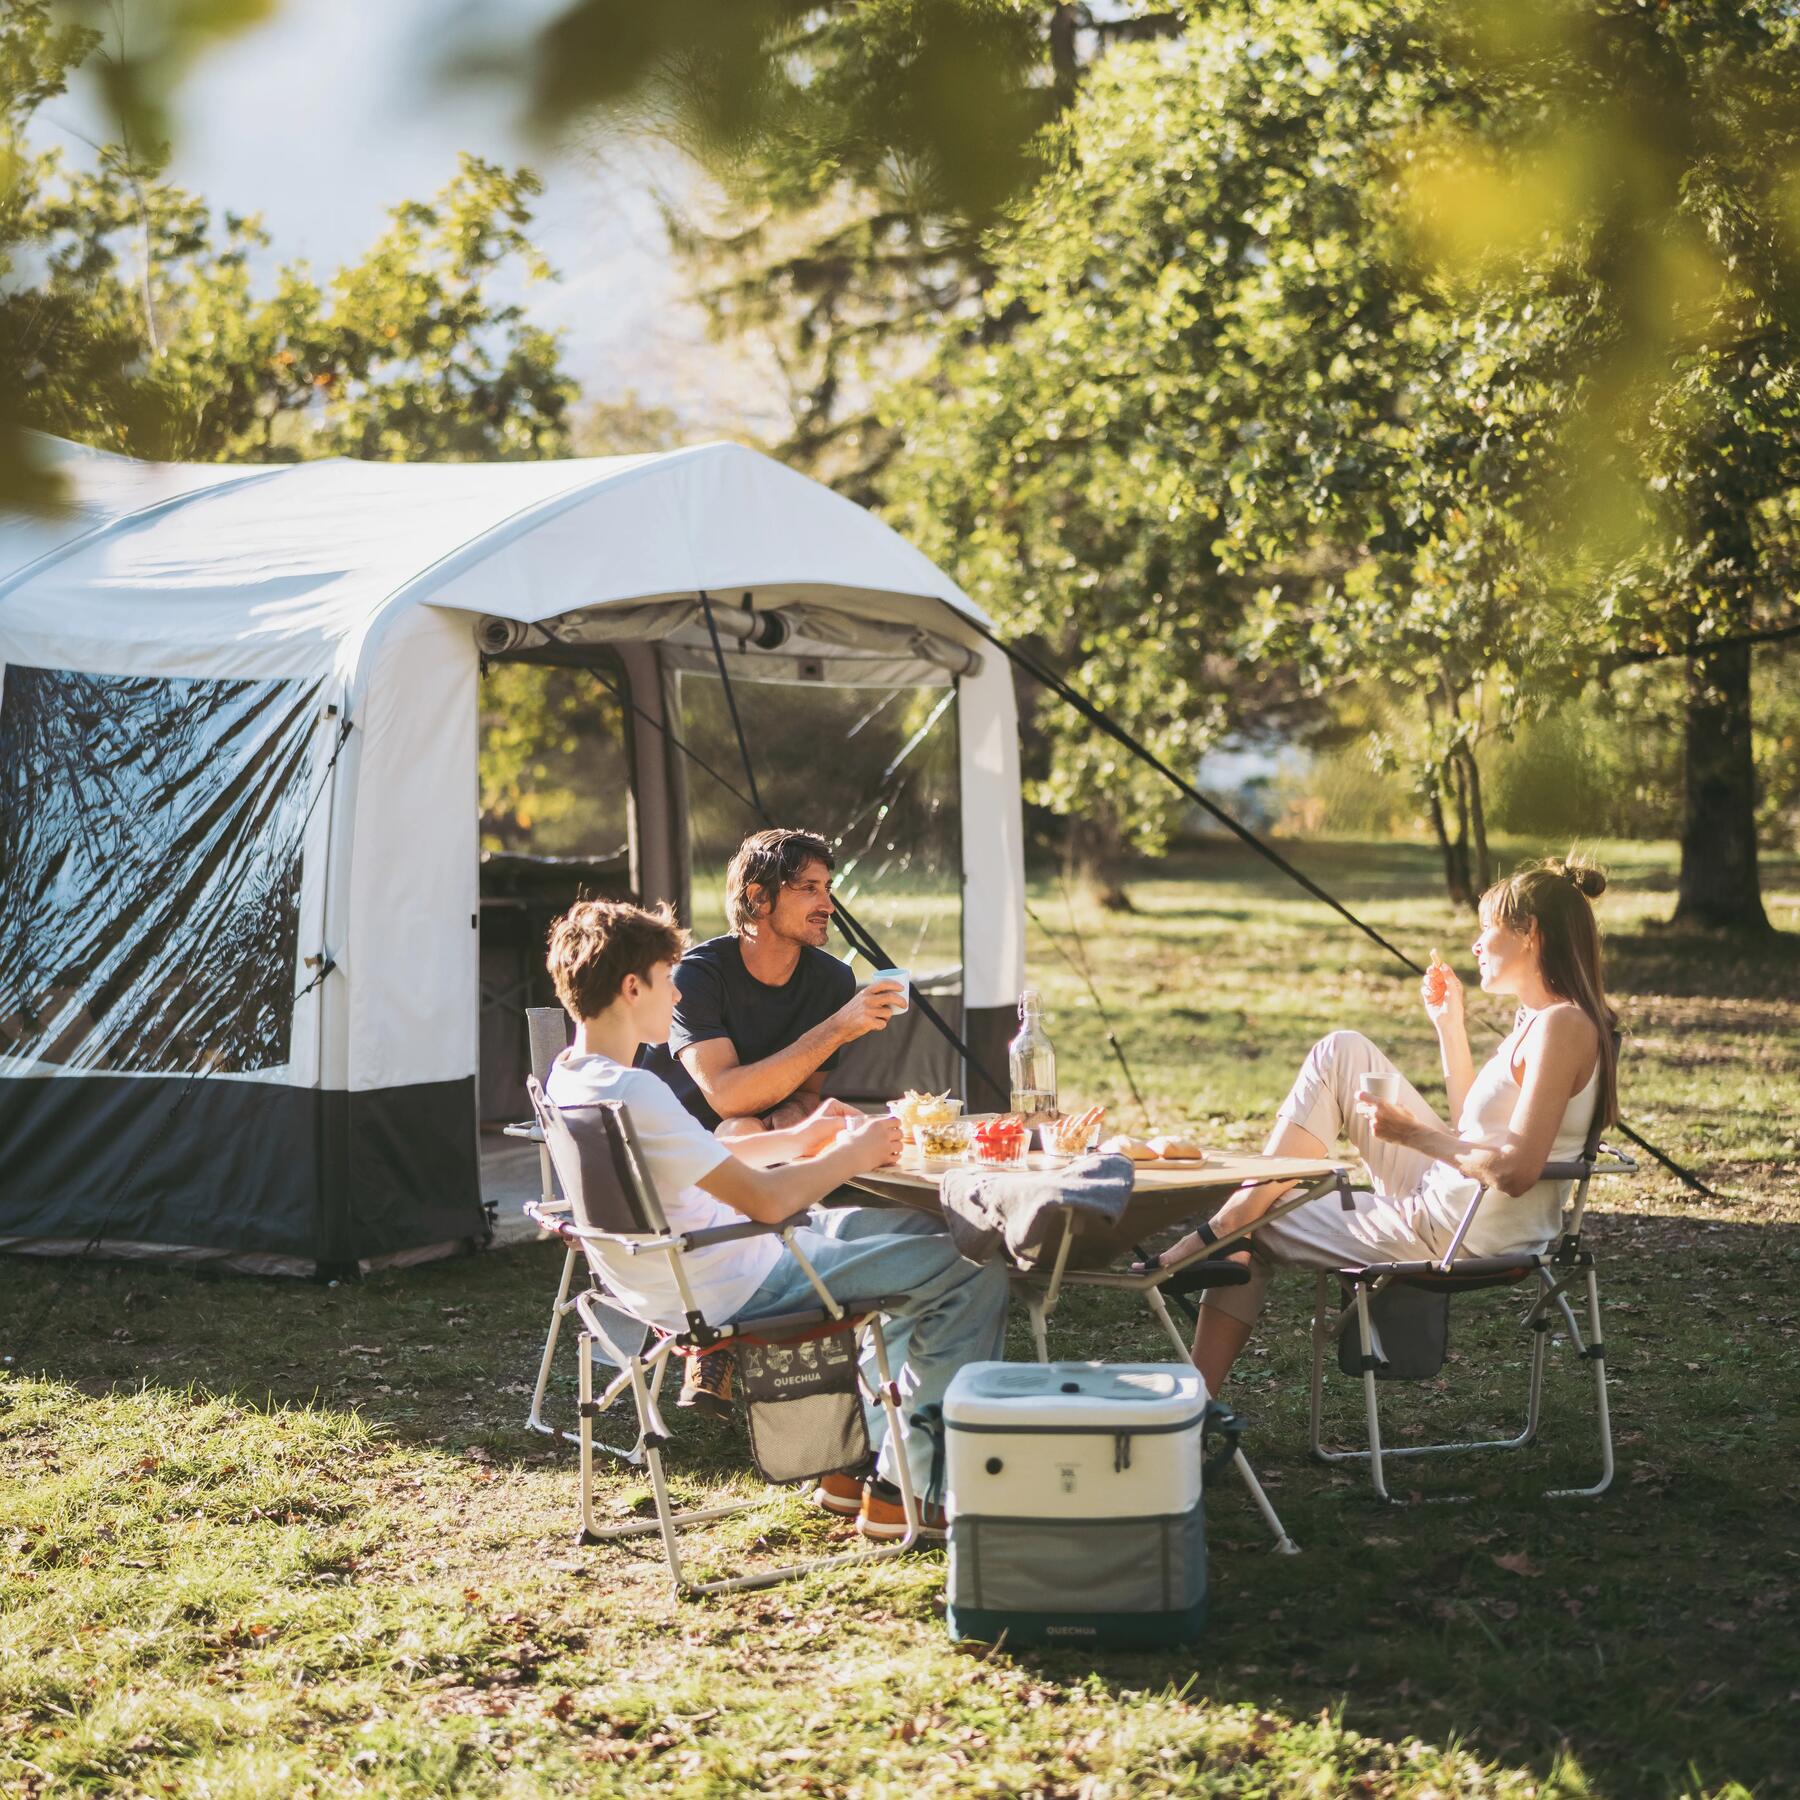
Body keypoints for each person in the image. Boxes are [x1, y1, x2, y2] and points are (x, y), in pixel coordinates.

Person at [544, 897, 1008, 1540]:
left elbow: (708, 1156)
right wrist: (852, 1154)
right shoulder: (635, 1089)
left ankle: (855, 1469)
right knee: (971, 1263)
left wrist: (805, 1138)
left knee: (929, 1242)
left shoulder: (573, 1078)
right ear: (632, 986)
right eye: (666, 976)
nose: (677, 992)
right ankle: (910, 1490)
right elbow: (766, 1202)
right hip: (738, 1275)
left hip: (676, 1275)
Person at [1156, 858, 1618, 1397]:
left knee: (1252, 1228)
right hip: (1453, 1200)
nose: (1475, 945)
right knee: (1341, 1050)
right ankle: (1231, 1225)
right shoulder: (1543, 1022)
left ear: (1529, 934)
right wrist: (1450, 1027)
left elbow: (1515, 1170)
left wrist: (1412, 1134)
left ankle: (1195, 1390)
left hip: (1456, 1228)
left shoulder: (1561, 1026)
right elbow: (1477, 1128)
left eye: (1486, 928)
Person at [655, 828, 907, 1135]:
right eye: (809, 889)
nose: (828, 905)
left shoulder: (832, 980)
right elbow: (728, 1099)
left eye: (827, 888)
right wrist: (839, 1028)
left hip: (766, 1146)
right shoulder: (695, 977)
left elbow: (806, 1093)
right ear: (759, 898)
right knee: (741, 1128)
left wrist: (794, 1110)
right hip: (678, 1148)